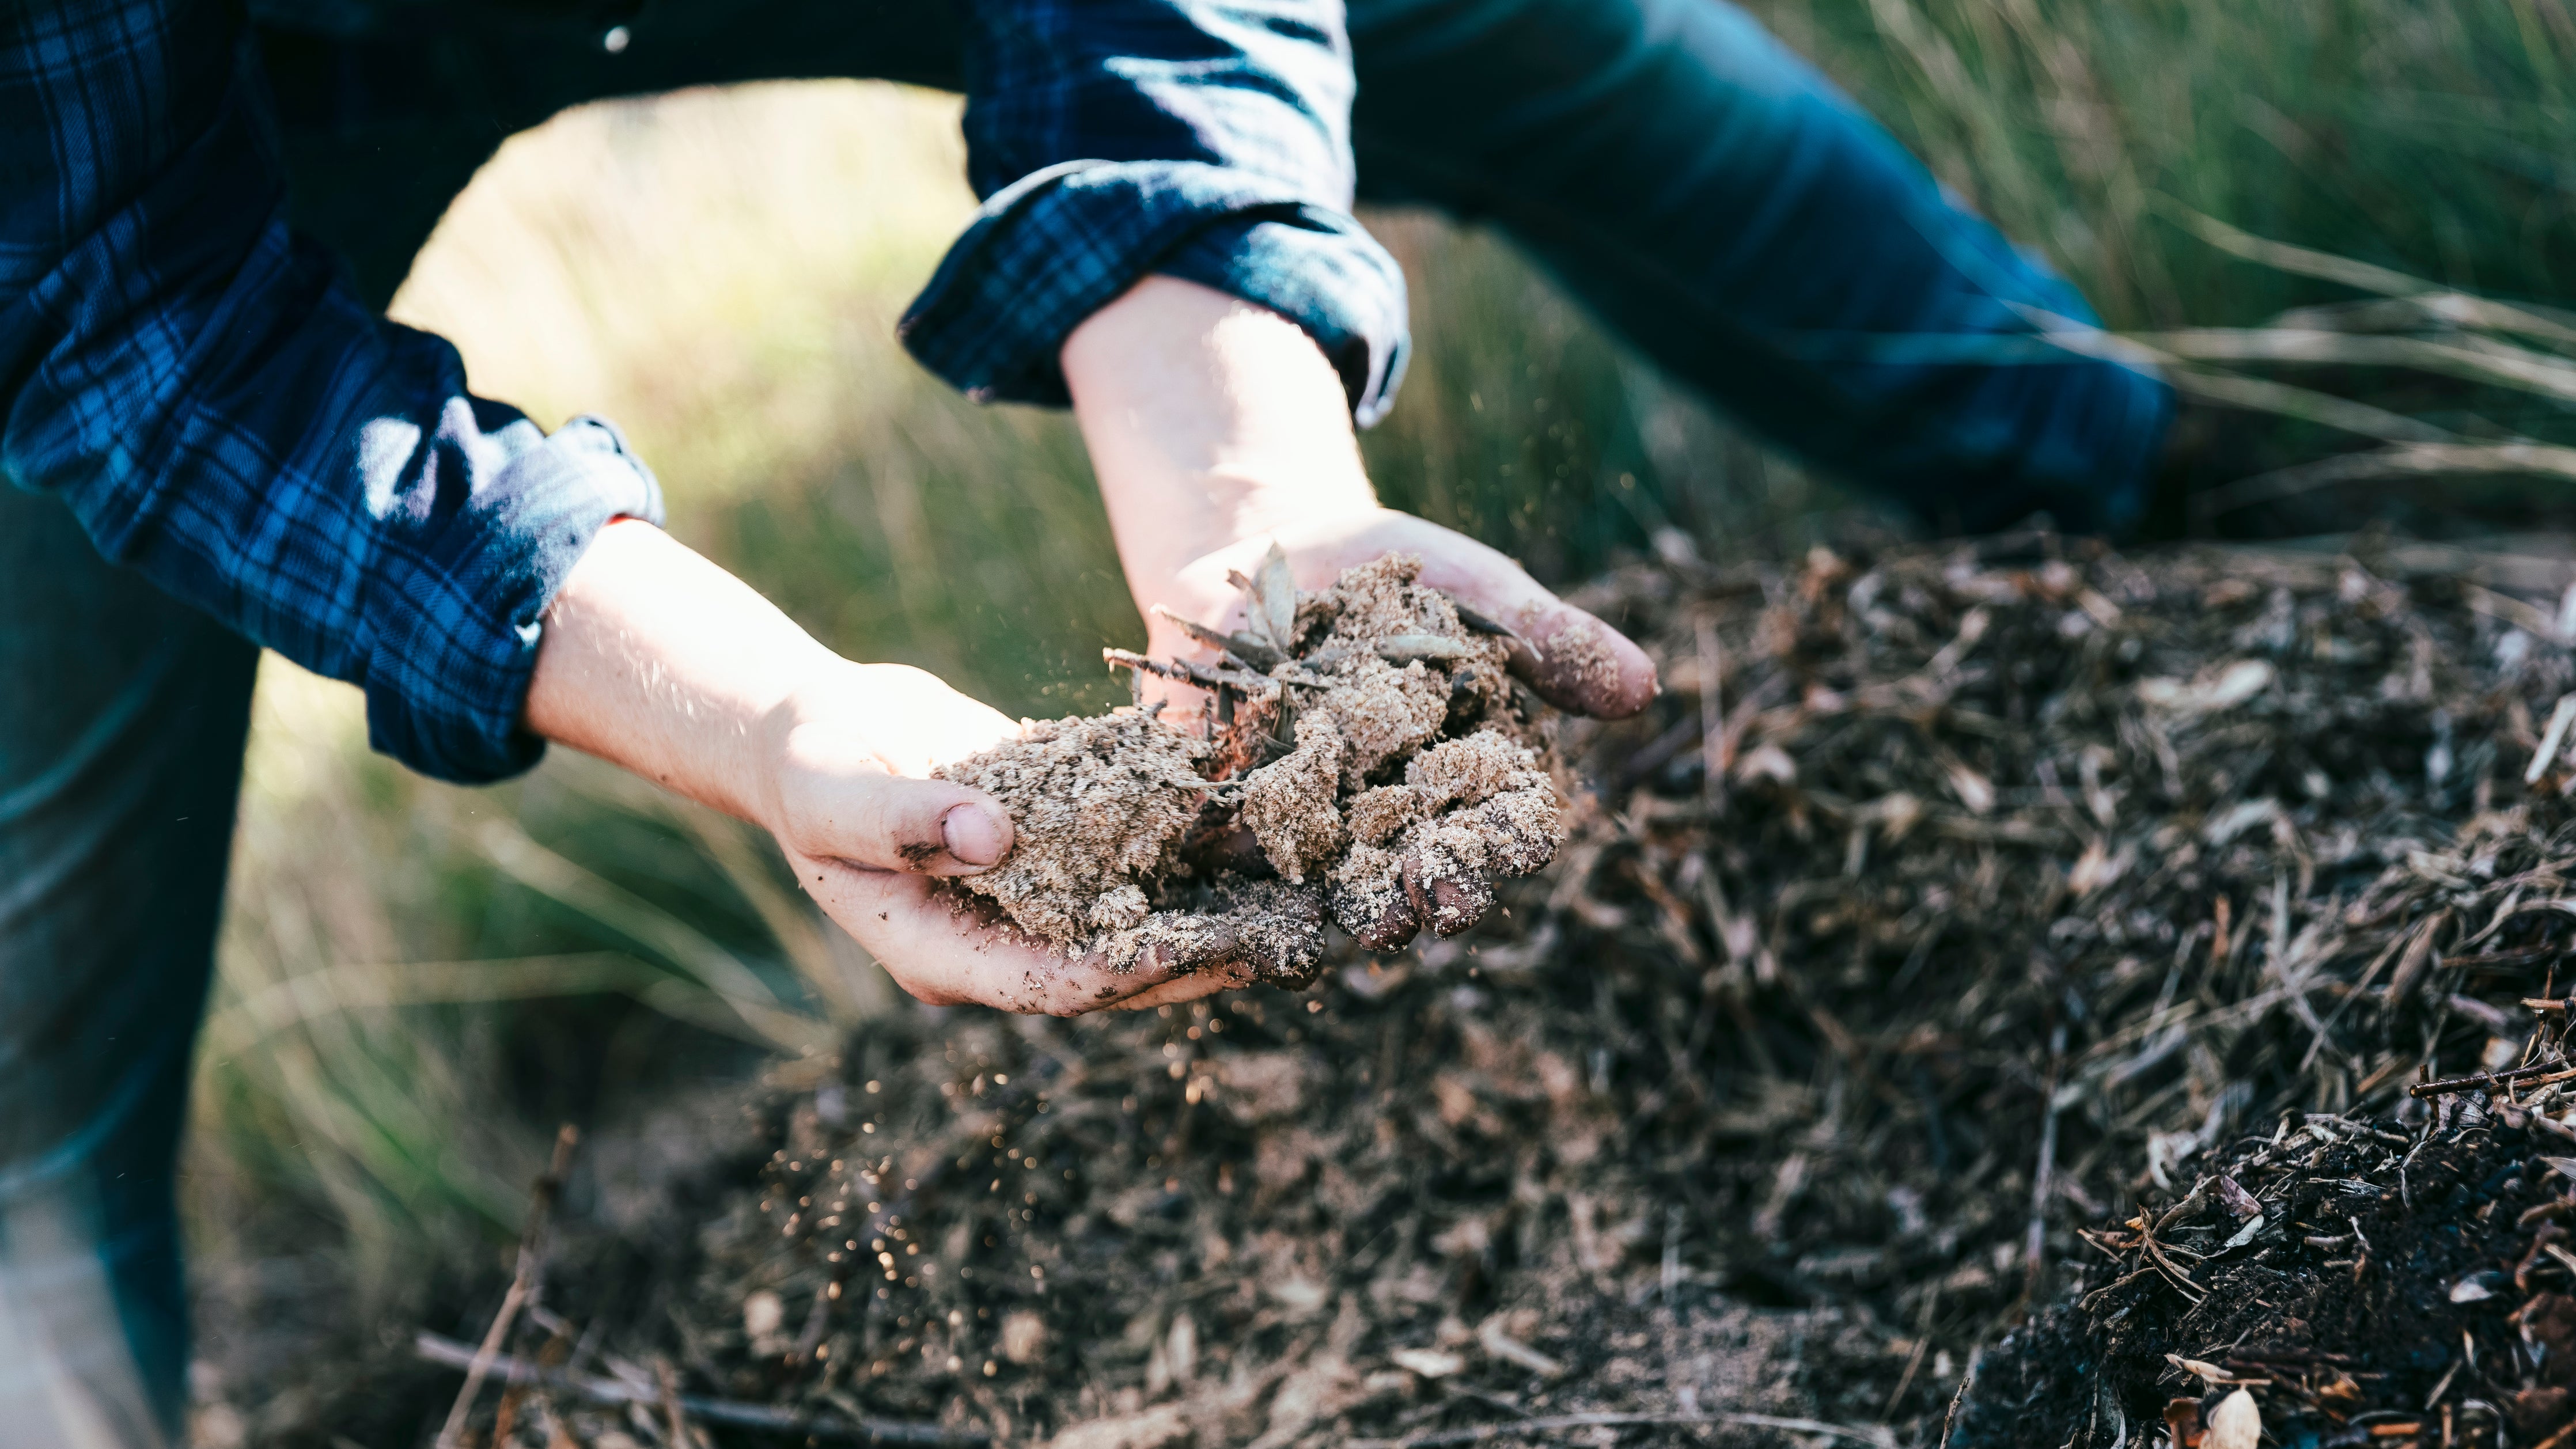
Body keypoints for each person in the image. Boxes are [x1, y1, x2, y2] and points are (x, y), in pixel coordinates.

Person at [0, 0, 2170, 1437]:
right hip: (216, 99)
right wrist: (777, 721)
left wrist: (1254, 488)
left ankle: (2150, 475)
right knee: (31, 1041)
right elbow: (119, 316)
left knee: (1547, 34)